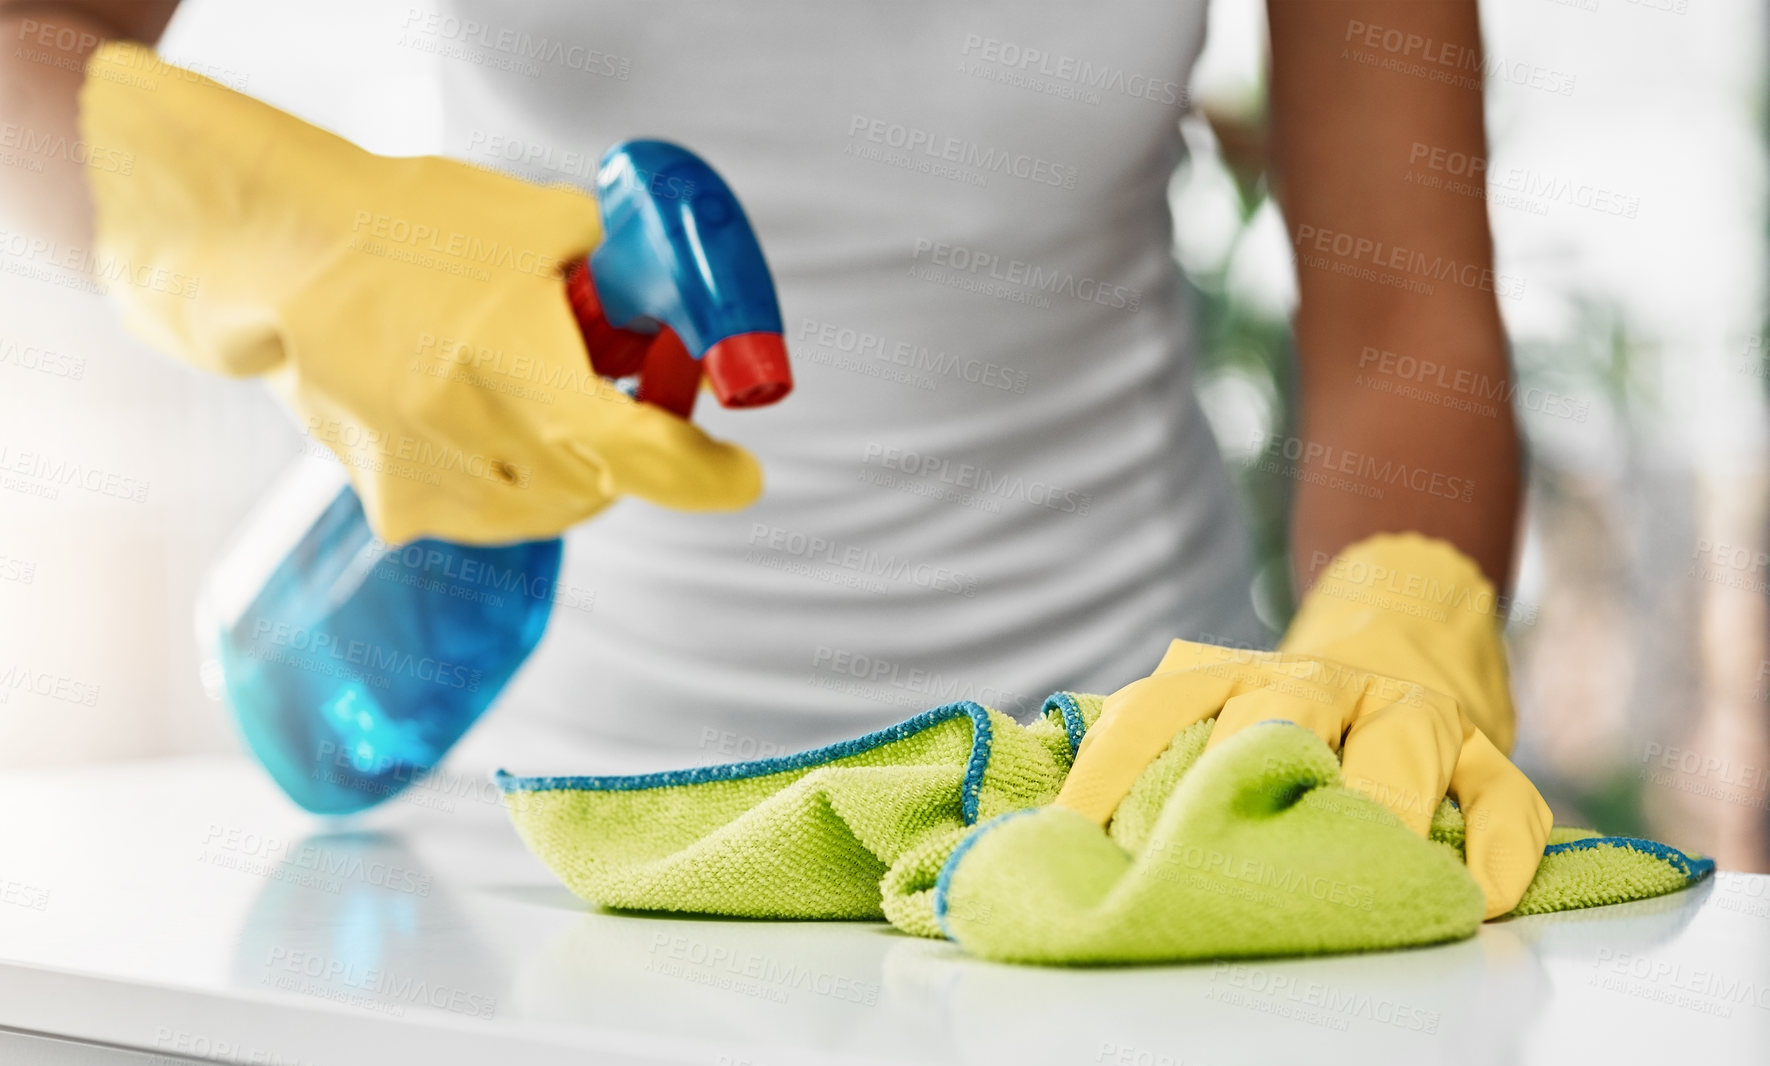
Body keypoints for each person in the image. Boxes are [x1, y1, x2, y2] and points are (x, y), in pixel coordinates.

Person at [0, 0, 1550, 915]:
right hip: (533, 849)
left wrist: (1399, 618)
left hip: (1100, 839)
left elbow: (1405, 309)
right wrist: (291, 241)